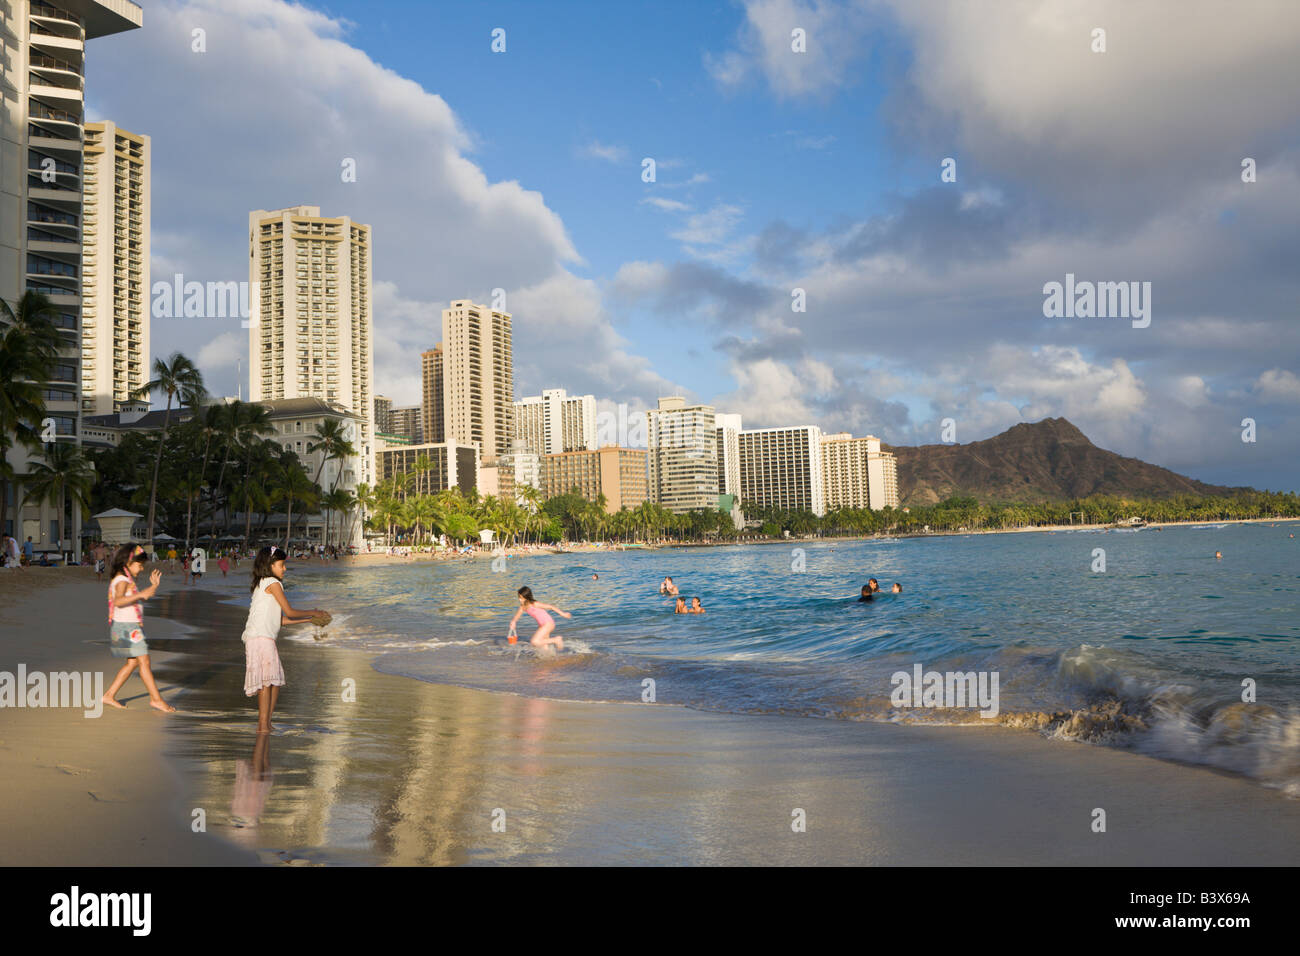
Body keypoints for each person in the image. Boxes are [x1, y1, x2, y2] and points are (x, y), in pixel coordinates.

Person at [242, 546, 329, 734]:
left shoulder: (262, 583)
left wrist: (309, 619)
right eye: (282, 565)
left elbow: (280, 619)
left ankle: (266, 723)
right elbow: (289, 611)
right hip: (261, 637)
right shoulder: (273, 583)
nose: (284, 569)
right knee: (268, 683)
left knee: (273, 682)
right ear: (270, 565)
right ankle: (263, 725)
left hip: (258, 637)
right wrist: (313, 611)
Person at [101, 544, 174, 713]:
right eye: (140, 565)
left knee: (133, 663)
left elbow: (139, 596)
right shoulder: (122, 580)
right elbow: (118, 601)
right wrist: (141, 594)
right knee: (144, 662)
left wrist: (153, 586)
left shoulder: (124, 579)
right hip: (127, 627)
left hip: (125, 626)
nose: (141, 569)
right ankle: (156, 699)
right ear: (128, 561)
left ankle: (109, 695)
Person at [508, 586, 570, 653]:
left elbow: (551, 607)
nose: (520, 600)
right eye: (519, 597)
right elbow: (517, 615)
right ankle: (551, 658)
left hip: (548, 623)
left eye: (521, 598)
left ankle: (556, 640)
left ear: (527, 597)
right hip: (542, 625)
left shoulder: (535, 604)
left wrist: (563, 614)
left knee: (534, 641)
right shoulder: (523, 607)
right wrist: (513, 622)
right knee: (544, 647)